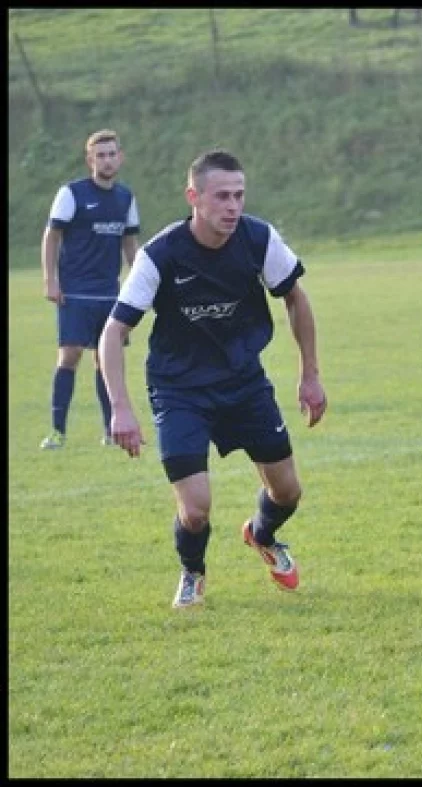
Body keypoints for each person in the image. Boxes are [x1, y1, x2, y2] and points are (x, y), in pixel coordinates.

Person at [99, 149, 328, 609]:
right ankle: (192, 572)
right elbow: (113, 331)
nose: (232, 206)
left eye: (239, 195)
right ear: (194, 197)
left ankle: (261, 534)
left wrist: (310, 375)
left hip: (244, 382)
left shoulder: (259, 239)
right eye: (221, 196)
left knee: (287, 491)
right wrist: (121, 407)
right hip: (179, 389)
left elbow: (296, 299)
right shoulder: (159, 255)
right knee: (197, 507)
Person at [40, 129, 141, 449]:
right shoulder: (72, 194)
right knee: (69, 356)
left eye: (112, 154)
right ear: (90, 160)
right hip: (76, 291)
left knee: (106, 359)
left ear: (120, 157)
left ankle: (111, 432)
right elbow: (52, 236)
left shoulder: (126, 198)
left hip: (110, 294)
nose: (107, 160)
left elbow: (130, 244)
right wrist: (50, 279)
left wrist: (139, 284)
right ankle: (57, 431)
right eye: (101, 155)